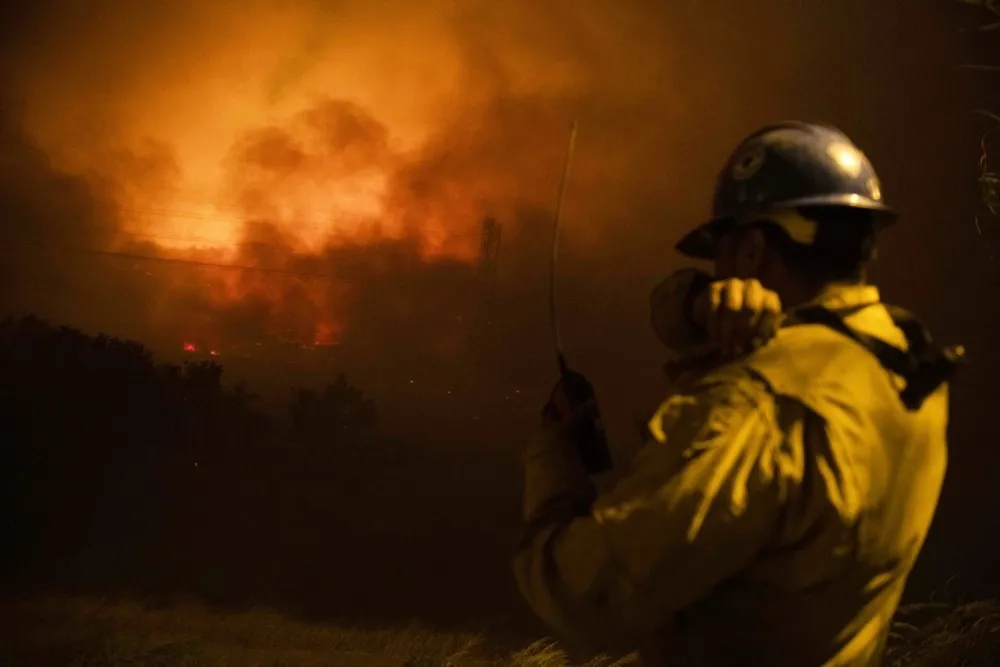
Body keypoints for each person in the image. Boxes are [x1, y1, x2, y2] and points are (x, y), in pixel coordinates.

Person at [512, 121, 962, 666]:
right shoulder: (903, 359)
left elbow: (582, 595)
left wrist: (554, 470)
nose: (717, 273)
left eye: (720, 256)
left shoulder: (754, 404)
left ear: (751, 251)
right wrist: (701, 308)